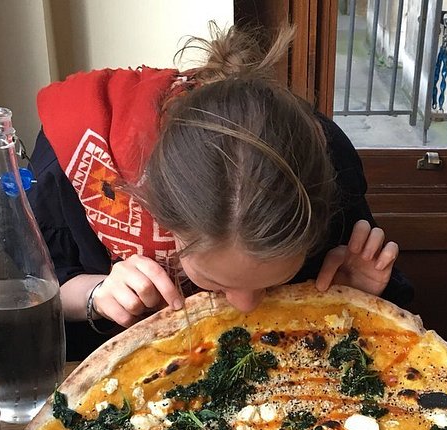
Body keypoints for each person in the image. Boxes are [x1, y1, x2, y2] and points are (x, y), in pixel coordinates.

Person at [27, 24, 413, 359]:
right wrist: (96, 294)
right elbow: (27, 295)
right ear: (157, 210)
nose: (245, 307)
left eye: (272, 282)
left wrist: (357, 295)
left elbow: (378, 326)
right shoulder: (69, 163)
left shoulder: (327, 161)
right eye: (216, 283)